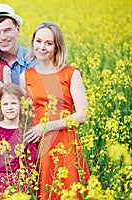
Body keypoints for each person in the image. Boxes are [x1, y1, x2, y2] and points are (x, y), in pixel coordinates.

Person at [19, 21, 90, 199]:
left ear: (57, 47)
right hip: (37, 142)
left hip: (64, 141)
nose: (42, 47)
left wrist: (48, 126)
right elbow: (25, 115)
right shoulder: (25, 76)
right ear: (33, 42)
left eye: (48, 43)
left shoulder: (71, 73)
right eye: (38, 41)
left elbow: (82, 115)